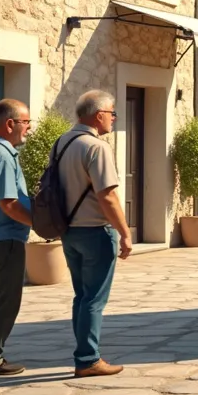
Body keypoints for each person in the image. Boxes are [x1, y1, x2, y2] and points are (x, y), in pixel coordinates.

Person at [59, 90, 133, 378]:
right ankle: (88, 359)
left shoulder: (62, 143)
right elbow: (108, 196)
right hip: (95, 232)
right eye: (112, 113)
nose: (114, 118)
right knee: (94, 299)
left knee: (81, 296)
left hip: (69, 231)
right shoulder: (96, 147)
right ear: (98, 115)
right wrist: (125, 233)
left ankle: (84, 354)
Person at [0, 99, 32, 376]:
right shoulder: (2, 155)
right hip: (5, 241)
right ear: (9, 124)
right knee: (5, 302)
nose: (28, 128)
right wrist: (40, 222)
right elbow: (9, 203)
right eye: (26, 122)